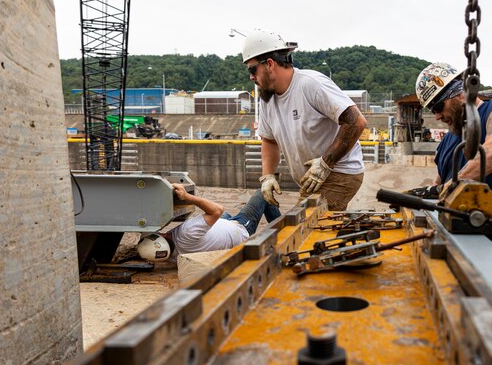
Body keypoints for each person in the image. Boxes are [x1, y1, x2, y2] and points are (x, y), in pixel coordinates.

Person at [414, 62, 492, 265]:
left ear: (461, 93)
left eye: (438, 106)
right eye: (432, 110)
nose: (437, 116)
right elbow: (439, 189)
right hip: (454, 243)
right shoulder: (447, 141)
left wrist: (447, 187)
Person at [241, 29, 367, 211]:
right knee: (312, 227)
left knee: (305, 225)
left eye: (253, 69)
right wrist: (267, 176)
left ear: (269, 64)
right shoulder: (267, 98)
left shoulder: (310, 84)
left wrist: (325, 163)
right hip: (314, 176)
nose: (251, 77)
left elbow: (356, 121)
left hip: (339, 173)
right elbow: (269, 140)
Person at [138, 184, 281, 261]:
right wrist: (186, 196)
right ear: (161, 235)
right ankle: (282, 232)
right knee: (264, 191)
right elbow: (217, 210)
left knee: (218, 218)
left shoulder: (170, 257)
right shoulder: (187, 232)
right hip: (240, 229)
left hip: (223, 228)